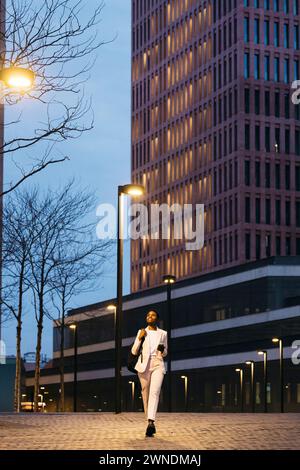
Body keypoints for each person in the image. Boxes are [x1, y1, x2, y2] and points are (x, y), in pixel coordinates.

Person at [131, 309, 168, 437]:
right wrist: (139, 338)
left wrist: (162, 351)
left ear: (157, 318)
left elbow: (165, 352)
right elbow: (134, 351)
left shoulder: (163, 333)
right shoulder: (142, 332)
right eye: (148, 315)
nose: (149, 316)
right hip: (144, 366)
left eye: (152, 315)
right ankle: (148, 421)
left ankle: (151, 422)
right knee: (145, 394)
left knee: (155, 392)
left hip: (158, 364)